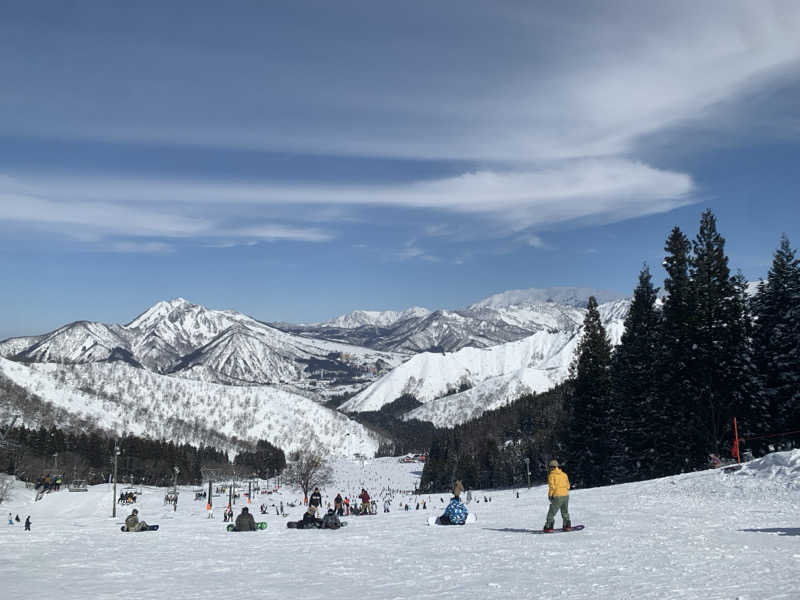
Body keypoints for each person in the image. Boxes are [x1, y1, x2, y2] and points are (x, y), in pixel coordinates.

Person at [543, 459, 571, 532]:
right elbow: (568, 486)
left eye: (549, 467)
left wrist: (550, 495)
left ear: (553, 467)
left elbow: (552, 487)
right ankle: (567, 525)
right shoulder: (564, 474)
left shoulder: (552, 475)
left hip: (557, 496)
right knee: (565, 511)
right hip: (566, 495)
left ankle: (549, 526)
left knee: (551, 512)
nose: (549, 468)